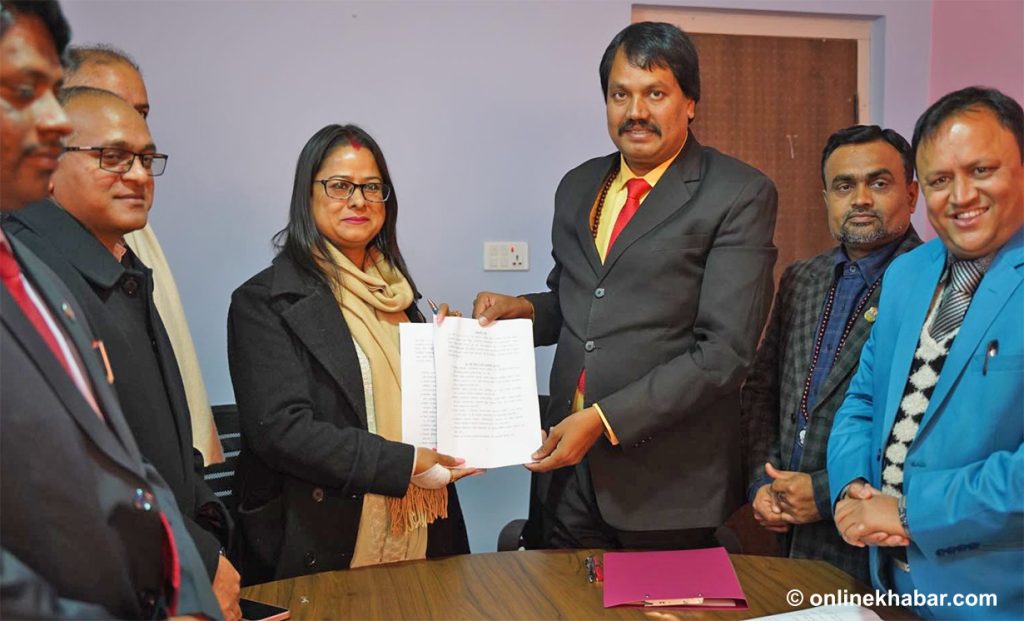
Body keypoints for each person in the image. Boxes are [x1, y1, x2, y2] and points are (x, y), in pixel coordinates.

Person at [472, 22, 778, 549]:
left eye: (655, 93)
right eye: (621, 95)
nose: (635, 111)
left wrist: (603, 419)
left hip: (668, 486)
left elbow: (724, 353)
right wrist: (520, 308)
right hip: (564, 473)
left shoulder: (738, 194)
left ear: (690, 103)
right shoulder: (577, 186)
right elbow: (578, 303)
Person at [0, 1, 220, 617]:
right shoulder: (43, 268)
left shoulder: (126, 261)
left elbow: (160, 453)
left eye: (147, 157)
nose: (138, 175)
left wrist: (205, 547)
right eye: (112, 156)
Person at [227, 124, 472, 583]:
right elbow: (282, 431)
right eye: (339, 186)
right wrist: (402, 464)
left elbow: (427, 415)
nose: (358, 200)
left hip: (420, 536)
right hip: (320, 540)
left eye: (372, 187)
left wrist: (455, 361)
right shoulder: (263, 301)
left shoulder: (401, 298)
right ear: (308, 194)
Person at [828, 87, 1024, 619]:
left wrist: (914, 513)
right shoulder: (907, 273)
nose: (960, 196)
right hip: (891, 586)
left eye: (981, 170)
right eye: (939, 180)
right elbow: (863, 399)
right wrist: (851, 487)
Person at [743, 125, 922, 581]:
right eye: (844, 186)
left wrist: (823, 494)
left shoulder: (934, 285)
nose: (860, 198)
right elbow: (763, 390)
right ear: (826, 198)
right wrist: (763, 484)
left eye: (878, 183)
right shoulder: (802, 278)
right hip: (786, 540)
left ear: (913, 193)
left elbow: (923, 428)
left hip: (874, 540)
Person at [63, 43, 223, 465]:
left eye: (142, 112)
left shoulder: (135, 229)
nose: (130, 123)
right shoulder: (27, 253)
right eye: (110, 104)